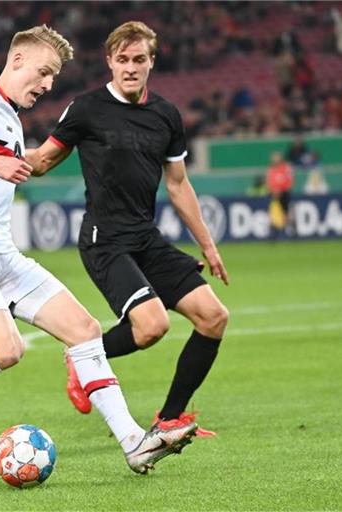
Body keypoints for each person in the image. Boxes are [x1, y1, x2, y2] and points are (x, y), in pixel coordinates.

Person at [0, 25, 199, 475]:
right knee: (7, 351)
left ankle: (133, 442)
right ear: (16, 62)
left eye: (53, 77)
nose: (48, 84)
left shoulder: (10, 118)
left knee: (86, 330)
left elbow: (31, 158)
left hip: (2, 254)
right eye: (44, 72)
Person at [26, 21, 229, 435]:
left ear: (152, 62)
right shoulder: (87, 109)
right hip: (105, 240)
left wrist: (207, 245)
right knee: (152, 326)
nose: (131, 68)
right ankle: (81, 356)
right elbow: (43, 161)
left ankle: (170, 418)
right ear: (110, 63)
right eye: (123, 60)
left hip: (144, 237)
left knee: (213, 317)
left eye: (139, 59)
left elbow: (177, 183)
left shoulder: (166, 115)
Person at [266, 151, 295, 238]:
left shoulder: (286, 168)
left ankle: (288, 229)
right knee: (273, 210)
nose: (275, 160)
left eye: (277, 157)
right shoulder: (271, 169)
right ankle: (274, 230)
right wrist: (274, 190)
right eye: (274, 158)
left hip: (284, 193)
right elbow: (269, 182)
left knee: (286, 211)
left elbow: (290, 180)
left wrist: (281, 189)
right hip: (274, 194)